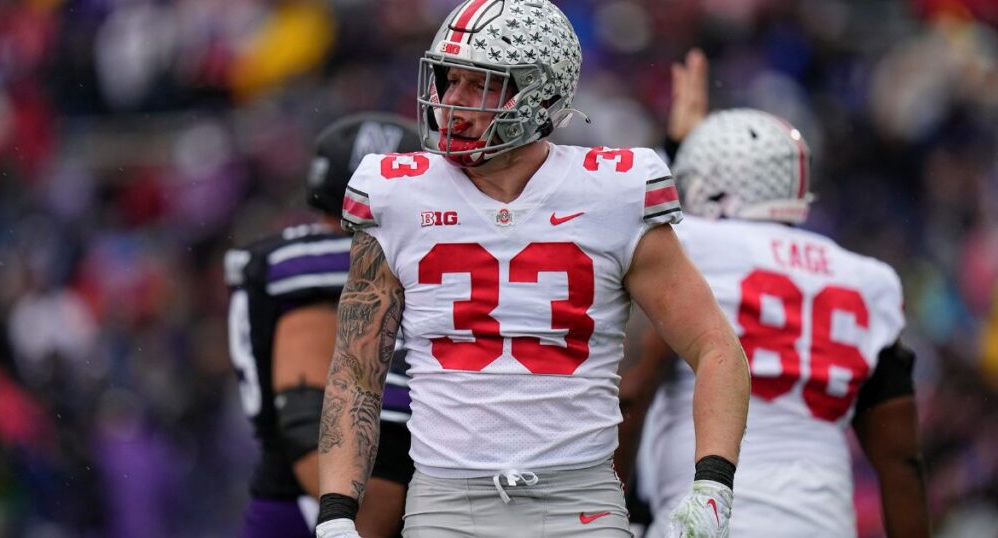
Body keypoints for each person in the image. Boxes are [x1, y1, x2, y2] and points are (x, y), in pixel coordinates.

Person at [314, 2, 751, 537]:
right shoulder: (396, 193)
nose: (450, 102)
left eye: (478, 85)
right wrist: (336, 514)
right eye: (450, 81)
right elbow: (356, 374)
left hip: (579, 502)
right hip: (445, 504)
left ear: (538, 93)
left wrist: (712, 486)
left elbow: (716, 346)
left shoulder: (614, 193)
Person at [625, 51, 931, 538]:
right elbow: (901, 463)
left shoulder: (689, 247)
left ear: (703, 187)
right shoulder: (867, 278)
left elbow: (632, 391)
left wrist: (606, 514)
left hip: (705, 519)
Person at [223, 113, 420, 538]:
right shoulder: (329, 267)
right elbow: (307, 413)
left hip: (294, 486)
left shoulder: (274, 255)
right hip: (332, 490)